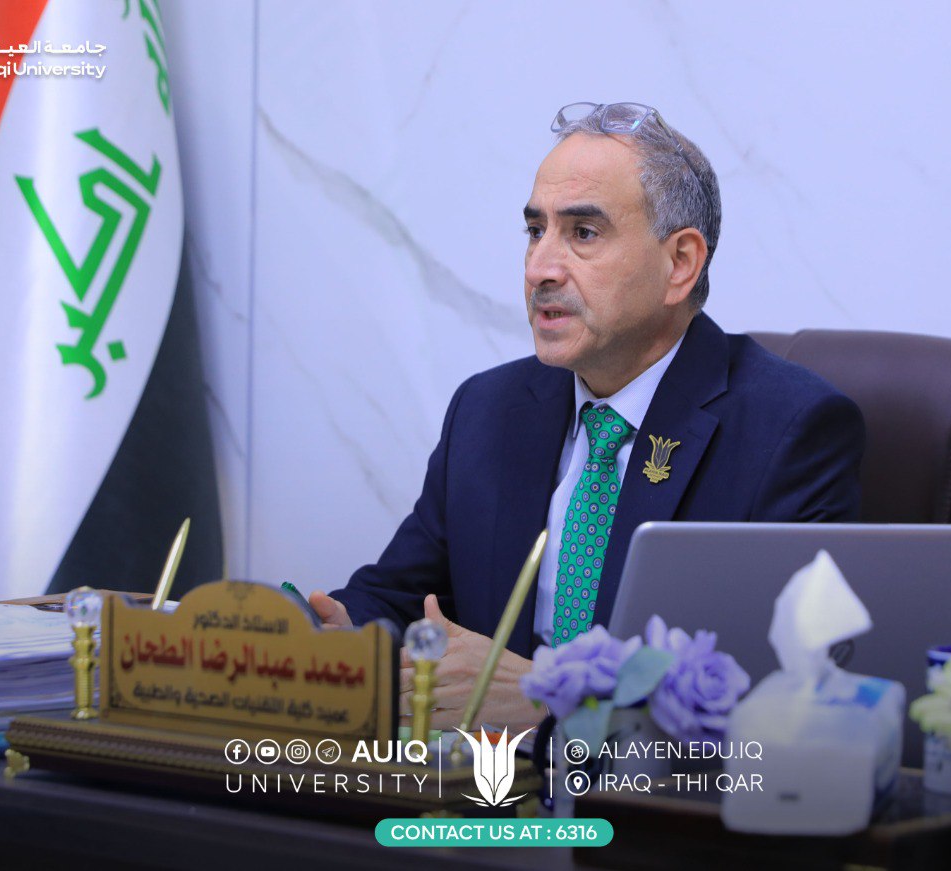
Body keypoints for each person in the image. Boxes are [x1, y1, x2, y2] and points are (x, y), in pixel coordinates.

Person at [308, 102, 865, 729]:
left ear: (680, 263)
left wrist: (550, 703)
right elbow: (400, 597)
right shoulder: (489, 410)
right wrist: (330, 634)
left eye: (583, 233)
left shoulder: (789, 431)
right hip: (481, 777)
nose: (539, 269)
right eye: (535, 231)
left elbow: (791, 694)